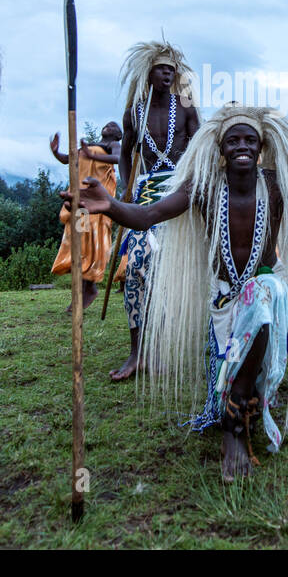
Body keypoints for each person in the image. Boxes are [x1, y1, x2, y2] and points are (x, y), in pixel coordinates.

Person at [70, 103, 288, 482]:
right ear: (220, 149)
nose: (241, 146)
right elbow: (150, 215)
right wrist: (111, 206)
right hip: (223, 297)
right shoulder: (203, 186)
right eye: (233, 140)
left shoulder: (279, 185)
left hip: (264, 286)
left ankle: (234, 428)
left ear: (261, 147)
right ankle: (235, 408)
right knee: (234, 370)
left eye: (250, 140)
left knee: (263, 301)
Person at [111, 41, 201, 381]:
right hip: (147, 191)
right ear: (148, 72)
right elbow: (125, 152)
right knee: (135, 267)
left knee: (172, 269)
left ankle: (166, 347)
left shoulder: (187, 104)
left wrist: (193, 184)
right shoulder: (136, 109)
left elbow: (200, 147)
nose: (168, 74)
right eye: (162, 68)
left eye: (172, 69)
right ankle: (137, 352)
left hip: (181, 191)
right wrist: (125, 185)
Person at [50, 123, 122, 313]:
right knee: (78, 246)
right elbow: (69, 160)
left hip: (96, 208)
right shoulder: (88, 147)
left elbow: (118, 158)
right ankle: (85, 291)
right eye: (107, 124)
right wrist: (56, 152)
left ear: (117, 135)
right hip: (80, 205)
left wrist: (93, 156)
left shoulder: (112, 146)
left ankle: (87, 291)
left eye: (113, 125)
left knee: (90, 247)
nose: (109, 125)